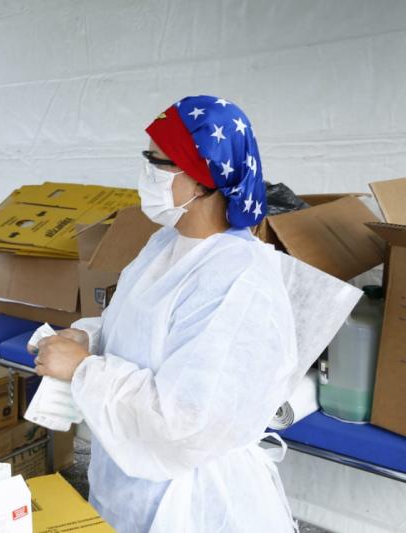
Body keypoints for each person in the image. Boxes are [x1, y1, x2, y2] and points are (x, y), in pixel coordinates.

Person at [32, 96, 359, 532]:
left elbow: (188, 418)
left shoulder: (235, 281)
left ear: (205, 176)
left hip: (192, 502)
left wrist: (85, 370)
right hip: (130, 479)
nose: (145, 172)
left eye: (158, 161)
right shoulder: (165, 245)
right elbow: (141, 328)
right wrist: (89, 339)